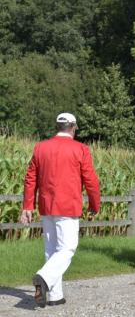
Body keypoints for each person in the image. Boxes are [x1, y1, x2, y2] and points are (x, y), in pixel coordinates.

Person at [21, 113, 101, 308]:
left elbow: (30, 178)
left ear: (57, 126)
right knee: (67, 248)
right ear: (73, 127)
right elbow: (90, 180)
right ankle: (44, 277)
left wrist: (27, 207)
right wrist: (94, 205)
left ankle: (55, 295)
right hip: (69, 206)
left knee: (52, 250)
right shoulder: (80, 149)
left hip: (47, 206)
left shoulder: (41, 147)